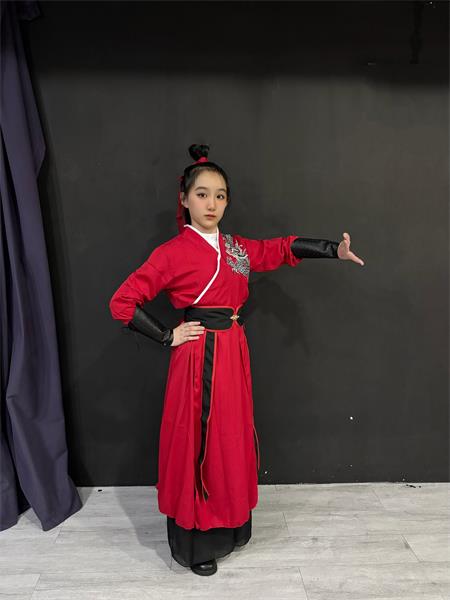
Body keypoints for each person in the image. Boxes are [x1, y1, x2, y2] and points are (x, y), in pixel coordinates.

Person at [109, 143, 364, 576]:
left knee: (229, 437)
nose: (211, 204)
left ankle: (230, 525)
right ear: (185, 199)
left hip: (232, 350)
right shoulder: (171, 253)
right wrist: (168, 335)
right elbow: (122, 302)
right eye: (202, 194)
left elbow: (279, 249)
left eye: (220, 195)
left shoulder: (236, 248)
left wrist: (331, 250)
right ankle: (197, 541)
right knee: (200, 442)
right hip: (198, 357)